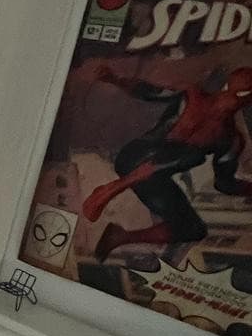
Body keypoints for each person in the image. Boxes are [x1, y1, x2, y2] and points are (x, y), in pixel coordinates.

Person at [82, 65, 252, 260]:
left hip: (152, 178)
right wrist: (115, 79)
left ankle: (119, 235)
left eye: (240, 94)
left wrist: (249, 188)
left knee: (191, 229)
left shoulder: (230, 140)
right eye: (230, 90)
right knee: (190, 154)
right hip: (134, 157)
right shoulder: (191, 94)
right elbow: (149, 91)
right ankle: (117, 186)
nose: (228, 99)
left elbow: (224, 182)